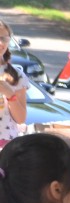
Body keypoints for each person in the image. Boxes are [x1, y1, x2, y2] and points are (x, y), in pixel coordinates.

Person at [0, 19, 30, 147]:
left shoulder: (16, 75)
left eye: (4, 39)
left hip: (5, 145)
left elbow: (20, 118)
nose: (1, 43)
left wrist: (10, 95)